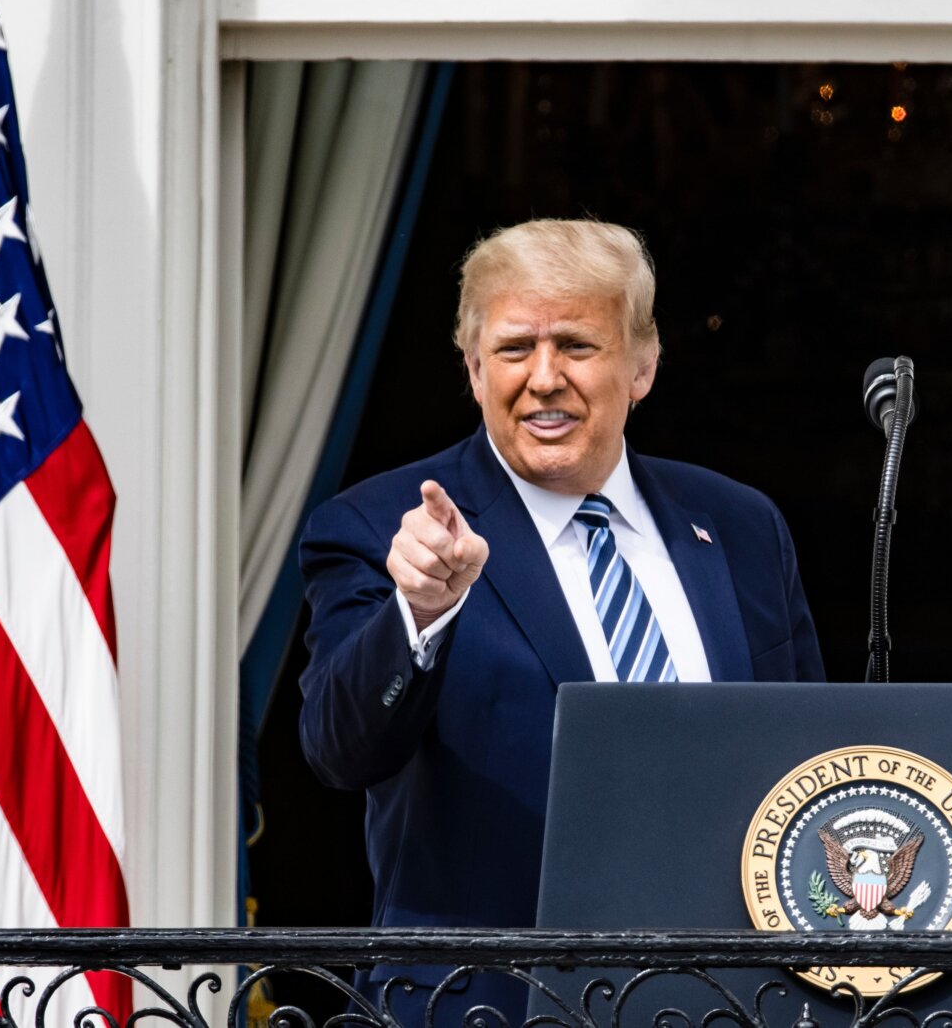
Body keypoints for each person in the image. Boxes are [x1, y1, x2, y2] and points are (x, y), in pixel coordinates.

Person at [297, 219, 826, 950]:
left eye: (576, 345)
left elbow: (810, 758)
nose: (544, 377)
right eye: (514, 348)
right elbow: (339, 750)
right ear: (475, 369)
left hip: (727, 991)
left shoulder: (740, 527)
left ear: (642, 368)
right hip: (493, 1000)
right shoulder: (381, 526)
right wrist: (418, 614)